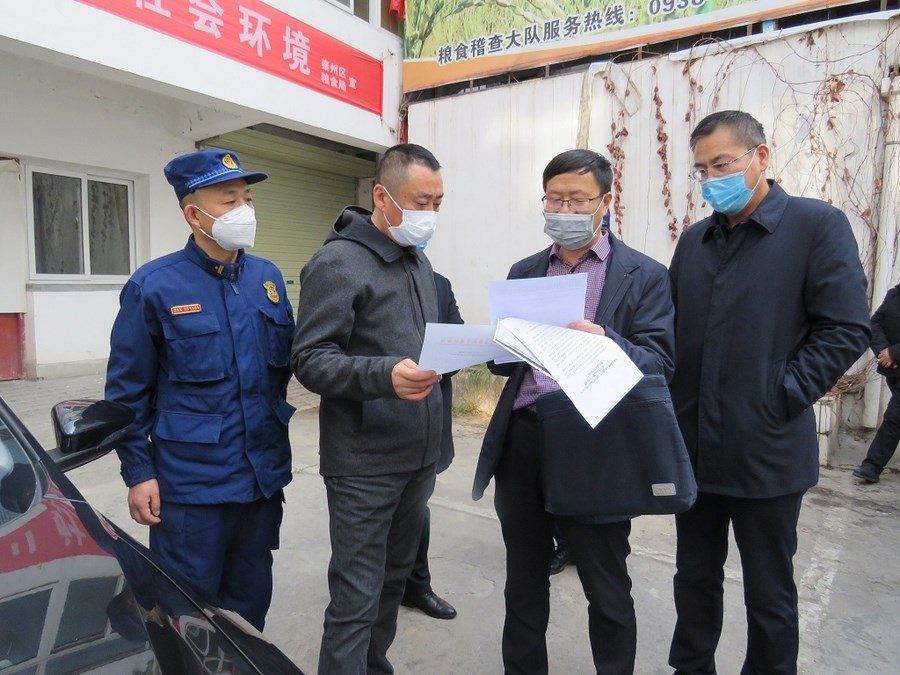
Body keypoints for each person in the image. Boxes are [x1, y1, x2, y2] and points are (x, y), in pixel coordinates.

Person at [667, 110, 871, 675]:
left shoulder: (815, 226)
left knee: (769, 589)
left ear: (760, 157)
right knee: (694, 577)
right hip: (694, 447)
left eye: (722, 164)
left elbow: (846, 328)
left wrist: (780, 394)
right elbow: (673, 330)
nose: (711, 179)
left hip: (768, 449)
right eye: (702, 170)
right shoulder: (696, 241)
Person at [472, 148, 676, 674]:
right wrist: (499, 343)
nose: (565, 210)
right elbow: (504, 366)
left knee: (606, 584)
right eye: (555, 199)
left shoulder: (644, 275)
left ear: (605, 202)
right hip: (525, 439)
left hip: (597, 442)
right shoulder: (525, 271)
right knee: (524, 580)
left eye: (578, 200)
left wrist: (605, 341)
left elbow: (659, 362)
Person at [105, 148, 295, 632]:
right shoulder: (154, 286)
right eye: (229, 200)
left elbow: (287, 370)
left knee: (249, 609)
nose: (244, 210)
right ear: (194, 214)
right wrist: (139, 473)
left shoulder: (267, 279)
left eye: (247, 198)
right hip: (191, 491)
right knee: (185, 614)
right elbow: (126, 395)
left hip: (259, 484)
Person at [291, 143, 444, 674]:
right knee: (356, 598)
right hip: (364, 465)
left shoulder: (416, 259)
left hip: (417, 457)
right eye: (421, 202)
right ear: (382, 196)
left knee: (393, 581)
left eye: (438, 203)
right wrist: (383, 376)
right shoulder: (336, 263)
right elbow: (309, 359)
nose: (431, 214)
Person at [401, 270, 462, 620]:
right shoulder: (352, 270)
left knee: (417, 510)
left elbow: (459, 343)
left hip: (427, 421)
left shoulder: (438, 283)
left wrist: (434, 367)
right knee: (370, 519)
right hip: (373, 428)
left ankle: (416, 586)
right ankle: (370, 588)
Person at [853, 284, 900, 483]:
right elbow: (875, 323)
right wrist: (884, 351)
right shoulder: (894, 294)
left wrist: (894, 353)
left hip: (895, 361)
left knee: (895, 416)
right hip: (894, 370)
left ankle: (872, 466)